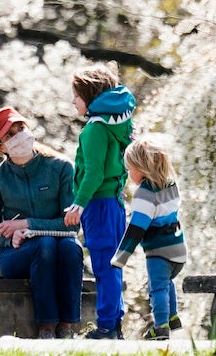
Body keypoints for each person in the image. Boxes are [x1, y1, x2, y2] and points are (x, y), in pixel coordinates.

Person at [0, 106, 84, 339]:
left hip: (60, 245)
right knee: (44, 245)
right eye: (10, 135)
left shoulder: (61, 168)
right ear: (0, 147)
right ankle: (46, 327)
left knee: (71, 247)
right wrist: (10, 239)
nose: (19, 136)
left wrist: (26, 224)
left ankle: (67, 327)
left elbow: (72, 226)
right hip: (16, 254)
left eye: (21, 128)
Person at [62, 63, 135, 340]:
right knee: (113, 264)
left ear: (89, 96)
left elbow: (94, 172)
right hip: (114, 204)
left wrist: (78, 204)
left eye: (76, 96)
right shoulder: (116, 123)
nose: (73, 102)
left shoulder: (94, 128)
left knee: (104, 266)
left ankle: (106, 326)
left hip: (99, 205)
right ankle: (114, 324)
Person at [110, 139, 188, 339]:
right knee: (167, 281)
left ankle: (161, 327)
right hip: (178, 248)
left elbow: (136, 228)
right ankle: (172, 317)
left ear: (141, 168)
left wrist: (120, 257)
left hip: (158, 251)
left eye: (130, 169)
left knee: (157, 288)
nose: (129, 174)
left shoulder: (145, 193)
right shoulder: (171, 186)